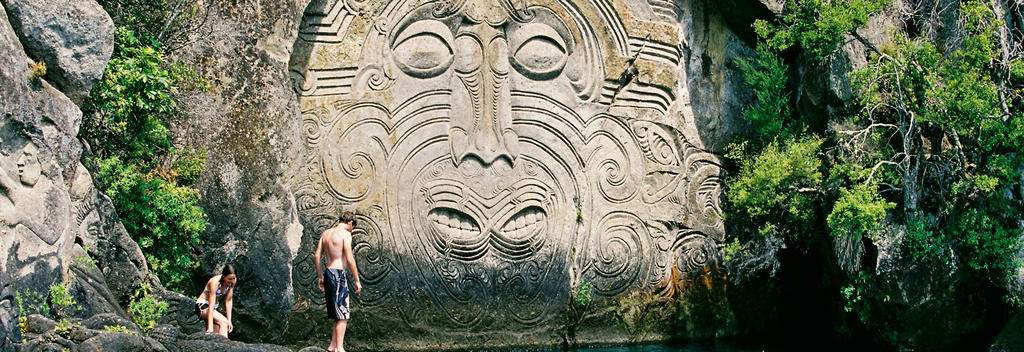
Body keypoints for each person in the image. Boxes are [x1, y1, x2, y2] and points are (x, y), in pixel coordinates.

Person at [316, 211, 362, 352]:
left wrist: (320, 277)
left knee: (337, 312)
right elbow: (349, 258)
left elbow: (317, 255)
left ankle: (332, 345)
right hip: (338, 274)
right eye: (353, 227)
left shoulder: (326, 233)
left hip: (328, 272)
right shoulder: (345, 234)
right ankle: (340, 348)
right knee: (343, 314)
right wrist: (356, 280)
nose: (352, 230)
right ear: (350, 222)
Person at [195, 264, 237, 338]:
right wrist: (210, 327)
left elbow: (228, 301)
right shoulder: (215, 283)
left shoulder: (232, 282)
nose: (232, 281)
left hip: (214, 308)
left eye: (234, 278)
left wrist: (229, 320)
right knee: (223, 322)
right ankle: (226, 347)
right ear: (223, 276)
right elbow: (211, 306)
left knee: (219, 328)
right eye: (229, 279)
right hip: (203, 305)